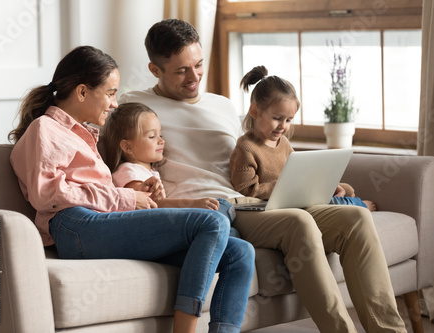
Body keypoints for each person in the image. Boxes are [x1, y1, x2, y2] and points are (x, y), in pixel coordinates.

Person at [119, 18, 407, 333]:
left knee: (356, 220)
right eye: (181, 70)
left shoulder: (222, 105)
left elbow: (256, 152)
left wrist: (308, 183)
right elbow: (118, 159)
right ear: (155, 70)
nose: (194, 77)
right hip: (213, 208)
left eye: (198, 65)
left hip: (251, 201)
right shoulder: (135, 105)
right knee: (298, 223)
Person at [8, 45, 255, 333]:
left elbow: (98, 190)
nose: (114, 103)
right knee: (212, 221)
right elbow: (46, 193)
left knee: (240, 252)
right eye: (110, 93)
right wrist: (126, 197)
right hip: (75, 226)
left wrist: (144, 197)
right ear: (82, 92)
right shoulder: (45, 129)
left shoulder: (84, 135)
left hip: (98, 224)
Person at [230, 65, 376, 211]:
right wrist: (283, 187)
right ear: (255, 111)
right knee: (336, 201)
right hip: (280, 202)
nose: (283, 126)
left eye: (288, 120)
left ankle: (351, 204)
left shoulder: (283, 143)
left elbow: (300, 172)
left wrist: (323, 184)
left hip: (296, 194)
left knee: (345, 189)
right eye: (277, 118)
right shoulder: (246, 148)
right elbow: (245, 190)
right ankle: (360, 207)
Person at [101, 101, 240, 237]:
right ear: (127, 147)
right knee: (222, 206)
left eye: (160, 135)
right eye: (152, 136)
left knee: (233, 235)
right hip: (151, 231)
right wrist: (194, 204)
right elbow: (152, 205)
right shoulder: (128, 171)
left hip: (161, 225)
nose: (161, 141)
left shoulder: (147, 171)